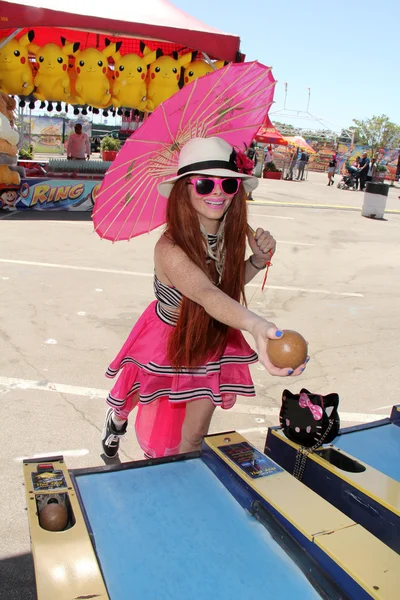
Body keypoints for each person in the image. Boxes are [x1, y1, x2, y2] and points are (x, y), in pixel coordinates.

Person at [101, 137, 308, 459]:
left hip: (211, 339)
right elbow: (206, 294)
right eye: (204, 184)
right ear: (184, 189)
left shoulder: (228, 236)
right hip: (168, 338)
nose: (218, 192)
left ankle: (181, 490)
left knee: (194, 437)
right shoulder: (169, 248)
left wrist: (255, 261)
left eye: (228, 184)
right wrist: (256, 327)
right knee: (136, 393)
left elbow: (224, 288)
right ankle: (116, 422)